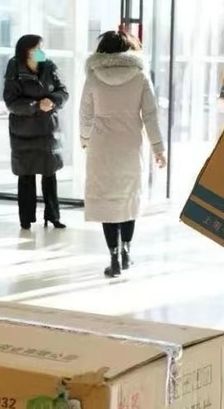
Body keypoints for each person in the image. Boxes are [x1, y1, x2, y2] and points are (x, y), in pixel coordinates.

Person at [80, 29, 167, 278]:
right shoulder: (140, 76)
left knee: (107, 201)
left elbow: (85, 114)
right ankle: (127, 253)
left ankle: (113, 258)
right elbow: (150, 116)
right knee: (128, 199)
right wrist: (158, 148)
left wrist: (84, 138)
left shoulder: (93, 76)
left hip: (101, 146)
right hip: (130, 146)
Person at [3, 34, 69, 231]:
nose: (41, 51)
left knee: (50, 174)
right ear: (26, 51)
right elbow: (11, 102)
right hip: (24, 131)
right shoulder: (14, 67)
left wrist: (53, 101)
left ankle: (53, 216)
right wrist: (36, 105)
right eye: (37, 48)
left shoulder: (49, 66)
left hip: (48, 129)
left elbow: (63, 92)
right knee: (26, 175)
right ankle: (26, 219)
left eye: (42, 47)